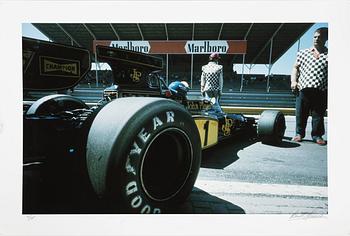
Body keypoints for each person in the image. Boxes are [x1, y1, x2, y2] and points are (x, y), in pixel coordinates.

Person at [291, 27, 328, 145]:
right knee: (301, 113)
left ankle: (317, 135)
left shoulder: (329, 55)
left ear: (326, 39)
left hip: (321, 89)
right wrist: (293, 81)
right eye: (315, 37)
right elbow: (295, 68)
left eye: (320, 37)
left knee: (318, 114)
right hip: (304, 88)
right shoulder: (303, 53)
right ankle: (299, 134)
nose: (316, 39)